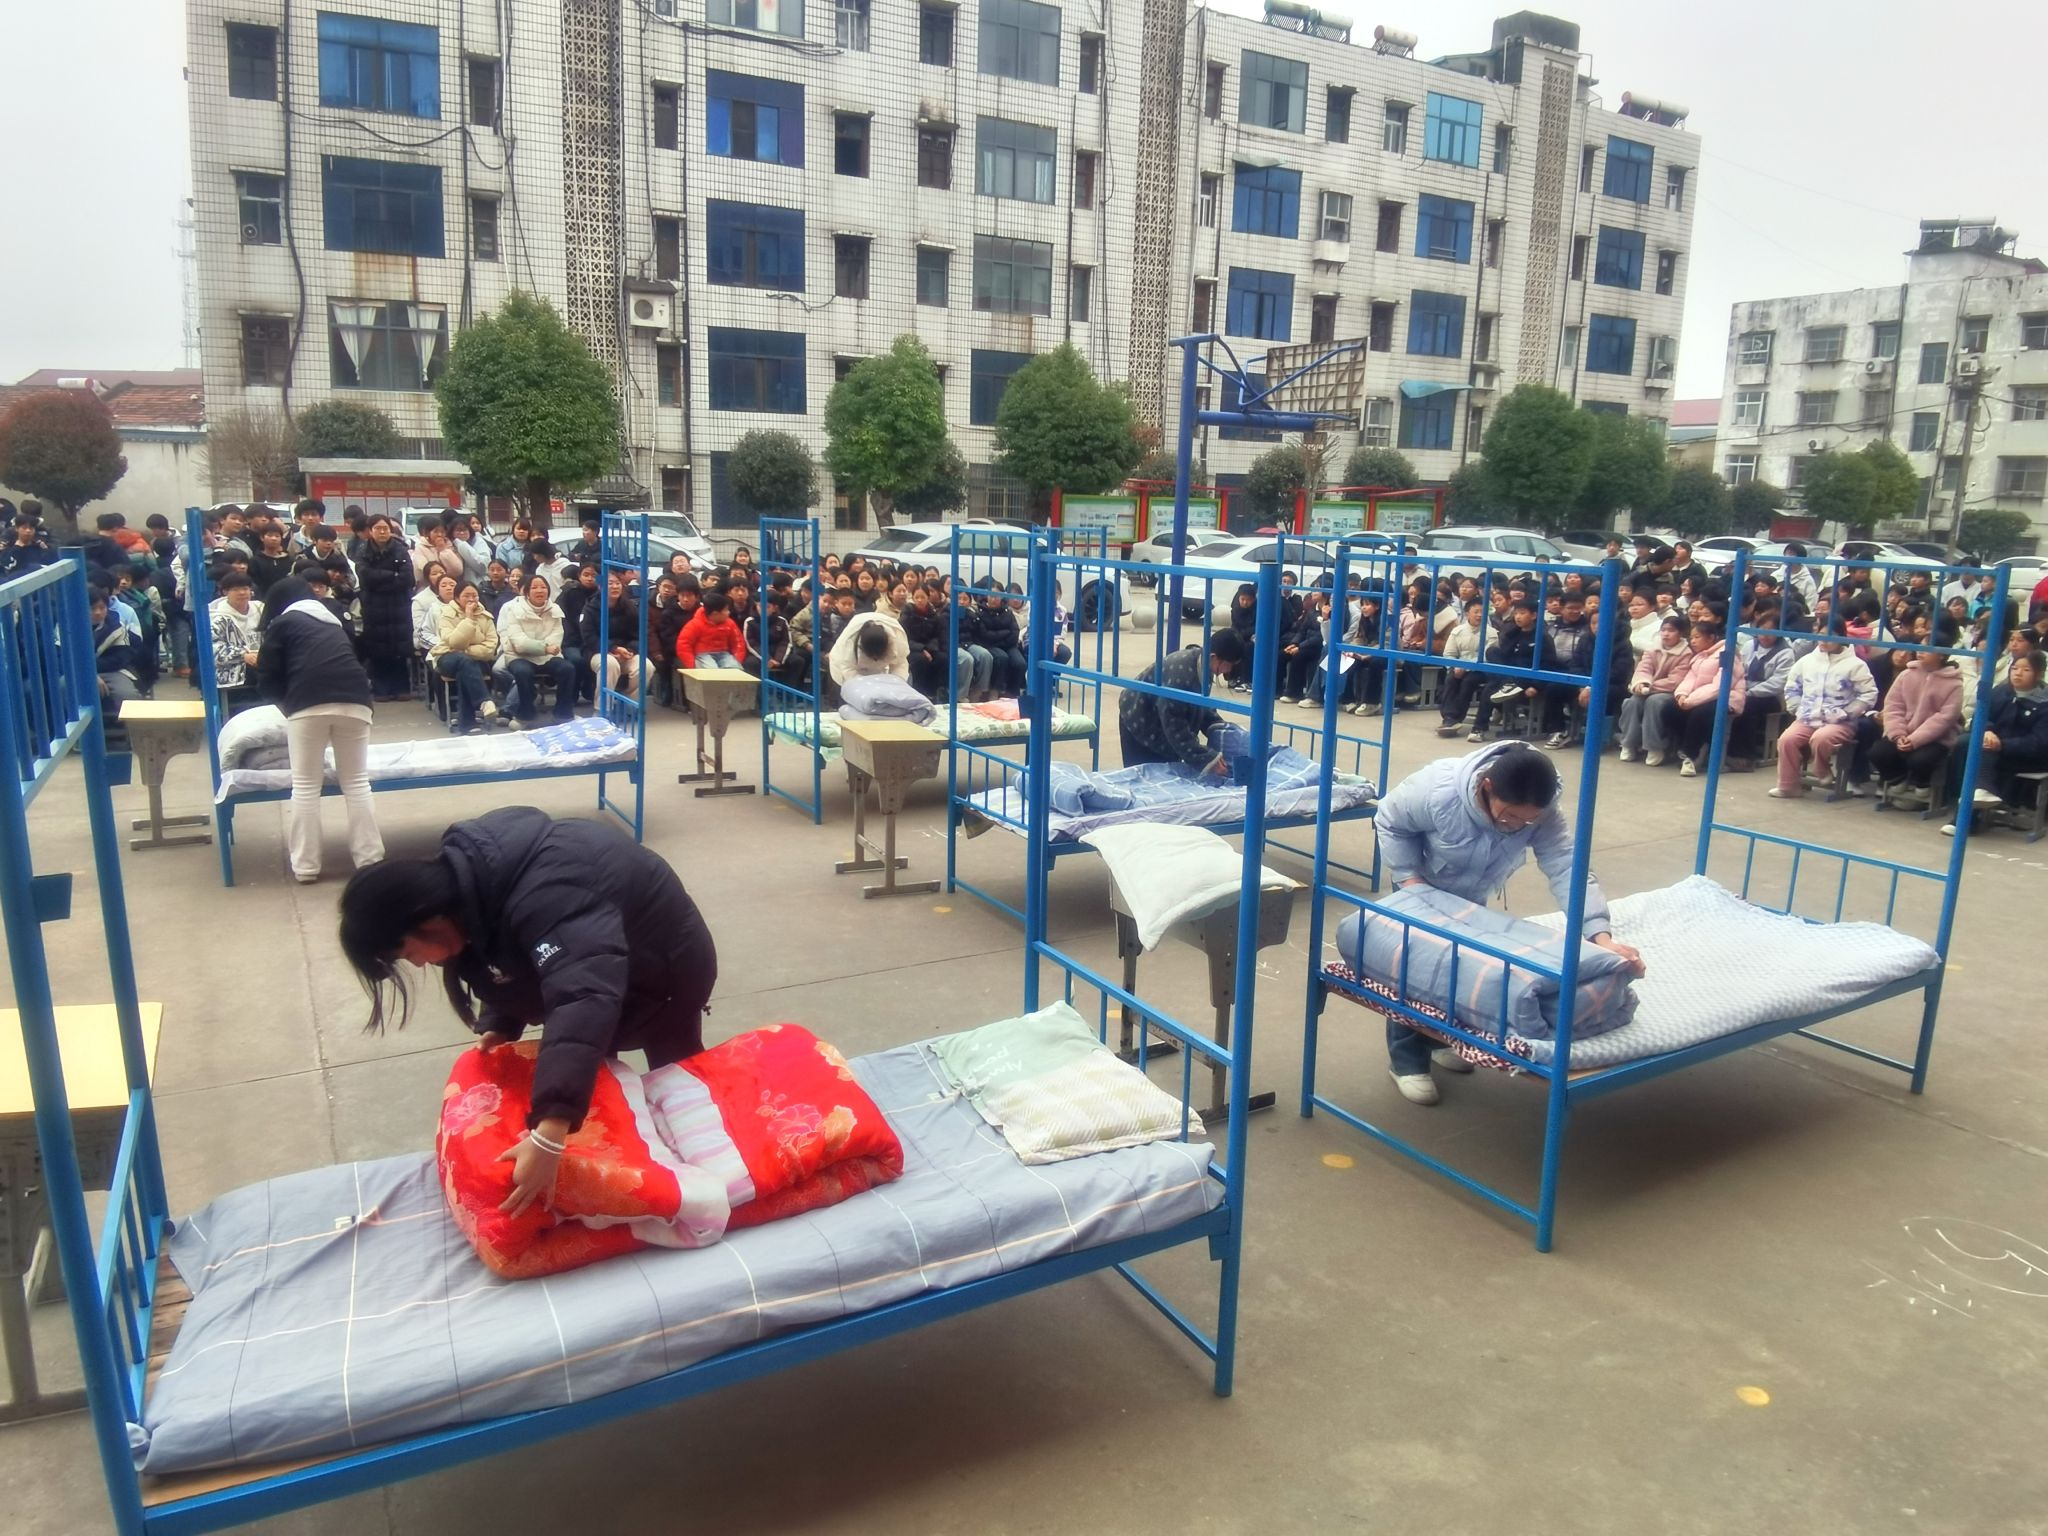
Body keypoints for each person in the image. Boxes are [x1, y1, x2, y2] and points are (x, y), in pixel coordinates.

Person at [336, 806, 718, 1215]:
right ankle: (629, 1174)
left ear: (424, 917)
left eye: (408, 953)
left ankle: (715, 1181)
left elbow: (581, 996)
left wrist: (549, 1135)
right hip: (604, 967)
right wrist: (501, 1020)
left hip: (665, 972)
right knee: (598, 1087)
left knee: (681, 1088)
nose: (417, 964)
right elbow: (507, 949)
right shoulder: (473, 890)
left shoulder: (551, 889)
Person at [1371, 742, 1643, 1105]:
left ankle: (1437, 1042)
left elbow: (1566, 865)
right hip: (1421, 882)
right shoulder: (1438, 790)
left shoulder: (1543, 812)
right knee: (1415, 967)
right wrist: (1409, 879)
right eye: (1510, 816)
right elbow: (1390, 820)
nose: (1517, 825)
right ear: (1487, 787)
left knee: (1458, 965)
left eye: (1527, 821)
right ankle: (1407, 1061)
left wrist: (1599, 934)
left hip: (1471, 893)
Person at [256, 575, 384, 884]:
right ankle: (370, 860)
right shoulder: (333, 623)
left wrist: (288, 704)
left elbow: (268, 677)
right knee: (357, 783)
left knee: (305, 786)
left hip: (307, 703)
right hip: (356, 701)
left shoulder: (283, 624)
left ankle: (306, 866)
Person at [1771, 630, 1878, 798]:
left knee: (1821, 738)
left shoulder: (1856, 665)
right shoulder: (1806, 661)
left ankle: (1821, 769)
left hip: (1841, 721)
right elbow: (1792, 687)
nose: (1824, 640)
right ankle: (1788, 786)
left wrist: (1847, 713)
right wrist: (1798, 708)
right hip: (1807, 718)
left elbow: (1868, 693)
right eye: (1821, 635)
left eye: (1830, 636)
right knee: (1787, 740)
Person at [1119, 633, 1243, 772]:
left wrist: (1221, 729)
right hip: (1139, 719)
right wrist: (1206, 759)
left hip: (1161, 721)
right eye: (1229, 665)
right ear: (1213, 657)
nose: (1229, 671)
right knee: (1145, 775)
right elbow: (1175, 727)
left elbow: (1202, 705)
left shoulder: (1204, 666)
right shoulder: (1180, 677)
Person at [1869, 630, 1963, 800]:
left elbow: (1945, 718)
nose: (1920, 651)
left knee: (1920, 759)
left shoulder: (1954, 683)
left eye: (1927, 648)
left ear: (1942, 655)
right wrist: (1898, 735)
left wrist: (1915, 740)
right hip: (1903, 732)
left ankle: (1922, 784)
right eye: (1920, 646)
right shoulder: (1907, 674)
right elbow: (1893, 705)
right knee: (1878, 752)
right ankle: (1898, 780)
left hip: (1936, 739)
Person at [1654, 617, 1743, 778]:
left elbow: (1720, 686)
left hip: (1726, 698)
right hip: (1698, 697)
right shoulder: (1700, 656)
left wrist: (1691, 701)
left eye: (1697, 637)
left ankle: (1690, 756)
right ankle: (1688, 746)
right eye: (1691, 637)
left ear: (1711, 638)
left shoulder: (1727, 654)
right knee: (1669, 709)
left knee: (1699, 714)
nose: (1693, 641)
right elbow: (1690, 678)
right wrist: (1682, 695)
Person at [496, 574, 579, 727]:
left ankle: (563, 714)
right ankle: (525, 716)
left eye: (543, 587)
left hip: (547, 656)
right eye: (534, 587)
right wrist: (544, 648)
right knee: (522, 672)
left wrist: (545, 649)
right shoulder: (513, 609)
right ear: (527, 592)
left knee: (567, 669)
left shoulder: (555, 609)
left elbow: (556, 638)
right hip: (519, 656)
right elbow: (518, 642)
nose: (539, 590)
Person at [355, 514, 415, 700]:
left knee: (399, 649)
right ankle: (381, 689)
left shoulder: (400, 550)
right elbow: (365, 577)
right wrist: (391, 575)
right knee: (377, 649)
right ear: (370, 531)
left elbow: (407, 579)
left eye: (385, 528)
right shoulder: (363, 551)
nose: (382, 532)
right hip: (374, 606)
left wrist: (380, 579)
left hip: (398, 605)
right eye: (378, 528)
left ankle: (402, 688)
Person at [1618, 613, 1689, 764]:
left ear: (1681, 633)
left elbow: (1675, 680)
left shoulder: (1686, 653)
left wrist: (1649, 687)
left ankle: (1654, 747)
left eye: (1671, 630)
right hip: (1648, 688)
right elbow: (1643, 668)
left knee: (1654, 702)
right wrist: (1641, 683)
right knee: (1632, 702)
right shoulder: (1652, 649)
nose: (1666, 634)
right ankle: (1628, 744)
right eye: (1663, 630)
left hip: (1670, 692)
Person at [432, 580, 500, 734]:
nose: (471, 599)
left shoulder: (485, 617)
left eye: (474, 596)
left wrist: (465, 651)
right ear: (457, 598)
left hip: (476, 660)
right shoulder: (446, 615)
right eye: (466, 596)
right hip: (448, 657)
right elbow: (453, 642)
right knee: (465, 663)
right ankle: (484, 701)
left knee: (465, 668)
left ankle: (467, 724)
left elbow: (490, 647)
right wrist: (469, 619)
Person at [675, 589, 747, 669]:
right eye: (726, 610)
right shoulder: (694, 625)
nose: (728, 612)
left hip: (724, 654)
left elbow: (738, 643)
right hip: (703, 655)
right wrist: (692, 665)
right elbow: (684, 645)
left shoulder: (730, 624)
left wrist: (737, 660)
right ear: (715, 614)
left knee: (734, 669)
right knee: (710, 671)